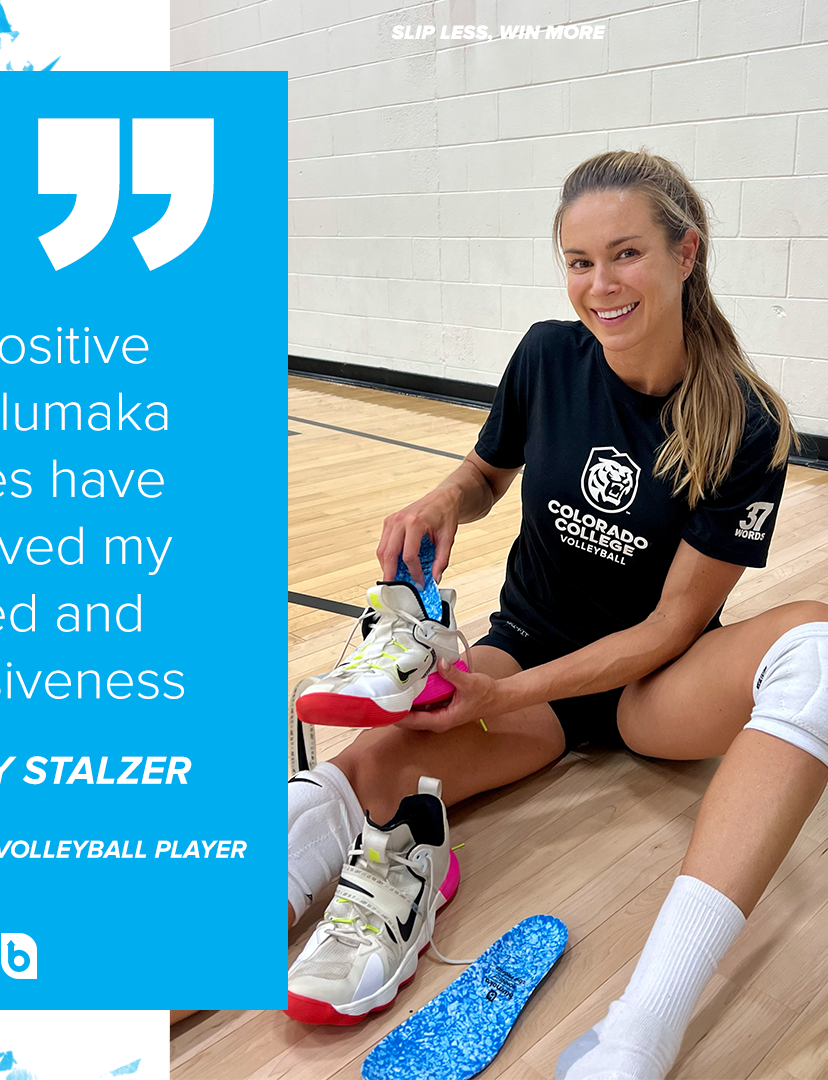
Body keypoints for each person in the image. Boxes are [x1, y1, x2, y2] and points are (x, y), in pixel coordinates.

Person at [286, 150, 828, 1079]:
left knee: (821, 645)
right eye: (579, 261)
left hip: (655, 689)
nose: (599, 285)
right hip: (527, 657)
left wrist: (508, 689)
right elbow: (488, 475)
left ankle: (635, 1037)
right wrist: (443, 503)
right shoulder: (547, 352)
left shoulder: (747, 423)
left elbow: (665, 630)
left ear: (685, 253)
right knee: (368, 776)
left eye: (624, 255)